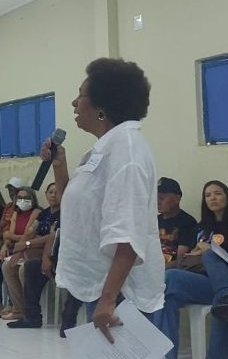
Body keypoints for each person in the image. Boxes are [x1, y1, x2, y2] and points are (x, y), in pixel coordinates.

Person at [46, 57, 163, 342]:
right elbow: (73, 206)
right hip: (100, 284)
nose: (74, 103)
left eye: (81, 95)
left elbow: (128, 233)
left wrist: (108, 299)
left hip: (120, 291)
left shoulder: (127, 152)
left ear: (102, 106)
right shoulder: (103, 148)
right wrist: (59, 165)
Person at [153, 180, 228, 359]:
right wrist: (192, 259)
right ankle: (165, 356)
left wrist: (212, 252)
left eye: (218, 193)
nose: (212, 198)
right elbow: (184, 258)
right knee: (168, 297)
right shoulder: (201, 228)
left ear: (227, 196)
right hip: (203, 280)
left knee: (207, 257)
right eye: (208, 195)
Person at [7, 183, 61, 328]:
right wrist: (18, 251)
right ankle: (19, 309)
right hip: (35, 249)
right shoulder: (45, 213)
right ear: (46, 194)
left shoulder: (64, 213)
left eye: (57, 192)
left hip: (52, 254)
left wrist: (27, 244)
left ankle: (32, 314)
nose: (53, 195)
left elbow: (53, 237)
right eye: (50, 192)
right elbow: (30, 231)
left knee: (27, 268)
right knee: (8, 265)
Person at [0, 186, 41, 320]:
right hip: (17, 249)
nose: (23, 200)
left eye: (26, 198)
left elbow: (27, 235)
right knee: (6, 266)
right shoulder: (16, 213)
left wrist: (10, 236)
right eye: (20, 198)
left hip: (30, 250)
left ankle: (28, 308)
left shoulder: (37, 212)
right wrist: (5, 244)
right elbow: (8, 236)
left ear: (32, 199)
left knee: (22, 268)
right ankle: (17, 308)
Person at [157, 177, 198, 269]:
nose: (158, 201)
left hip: (169, 273)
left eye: (161, 197)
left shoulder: (187, 222)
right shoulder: (154, 221)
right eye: (155, 197)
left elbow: (181, 262)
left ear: (177, 198)